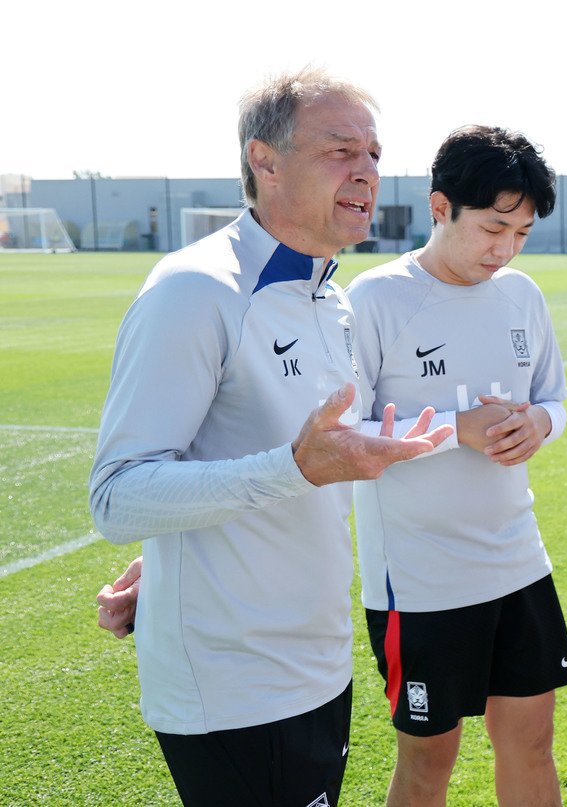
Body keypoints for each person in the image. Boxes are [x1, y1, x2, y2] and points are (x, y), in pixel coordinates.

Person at [87, 68, 452, 806]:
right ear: (266, 159)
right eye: (341, 149)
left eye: (376, 153)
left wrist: (173, 559)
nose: (368, 172)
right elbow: (117, 495)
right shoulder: (196, 290)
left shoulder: (332, 298)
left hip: (318, 662)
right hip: (235, 686)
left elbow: (233, 467)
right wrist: (292, 467)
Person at [346, 125, 567, 806]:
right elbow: (340, 438)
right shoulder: (374, 299)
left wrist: (538, 422)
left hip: (518, 561)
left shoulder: (522, 295)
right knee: (427, 763)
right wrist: (454, 430)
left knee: (532, 741)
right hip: (419, 580)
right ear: (440, 207)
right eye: (493, 228)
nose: (505, 249)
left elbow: (555, 400)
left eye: (522, 233)